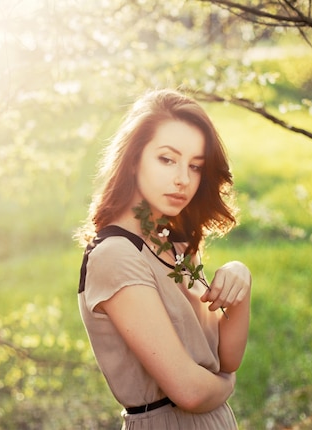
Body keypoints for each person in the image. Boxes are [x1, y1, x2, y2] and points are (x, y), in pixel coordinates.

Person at [76, 88, 252, 429]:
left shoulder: (175, 242)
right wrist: (227, 385)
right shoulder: (115, 255)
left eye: (195, 166)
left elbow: (227, 358)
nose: (182, 179)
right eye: (167, 159)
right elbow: (190, 391)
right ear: (133, 160)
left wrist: (240, 280)